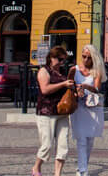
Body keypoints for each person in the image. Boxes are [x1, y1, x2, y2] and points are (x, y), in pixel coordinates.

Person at [33, 45, 75, 176]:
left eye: (64, 60)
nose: (62, 62)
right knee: (47, 144)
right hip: (47, 112)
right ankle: (36, 168)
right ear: (51, 58)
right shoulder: (44, 71)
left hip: (62, 112)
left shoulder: (61, 72)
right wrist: (63, 84)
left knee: (63, 145)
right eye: (59, 59)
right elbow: (45, 89)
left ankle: (57, 174)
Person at [71, 44, 105, 176]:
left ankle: (83, 165)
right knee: (81, 139)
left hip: (92, 107)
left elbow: (97, 89)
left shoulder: (97, 71)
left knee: (90, 139)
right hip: (79, 107)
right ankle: (82, 170)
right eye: (83, 56)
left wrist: (85, 86)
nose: (85, 60)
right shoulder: (74, 70)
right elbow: (69, 86)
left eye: (88, 57)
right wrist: (76, 92)